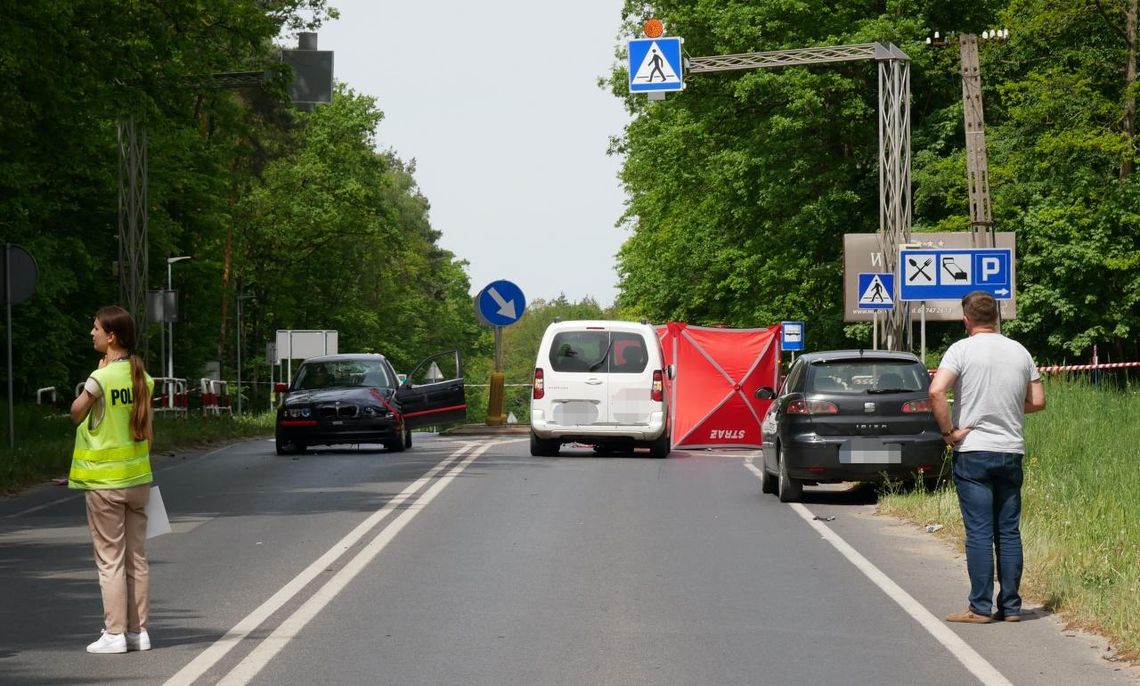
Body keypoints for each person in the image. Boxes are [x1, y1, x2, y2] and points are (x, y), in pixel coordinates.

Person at [929, 291, 1046, 624]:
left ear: (966, 319)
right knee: (1008, 532)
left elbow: (936, 391)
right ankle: (1010, 607)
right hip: (1010, 450)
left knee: (980, 532)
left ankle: (979, 607)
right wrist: (1007, 406)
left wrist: (949, 432)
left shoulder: (961, 350)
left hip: (974, 451)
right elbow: (1037, 400)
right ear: (996, 317)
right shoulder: (1019, 351)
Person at [69, 306, 155, 654]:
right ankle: (139, 632)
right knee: (137, 558)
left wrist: (96, 376)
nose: (92, 333)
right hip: (138, 479)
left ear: (111, 336)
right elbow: (148, 431)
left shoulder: (101, 378)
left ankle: (115, 633)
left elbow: (76, 413)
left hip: (105, 483)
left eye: (95, 328)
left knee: (110, 560)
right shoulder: (142, 378)